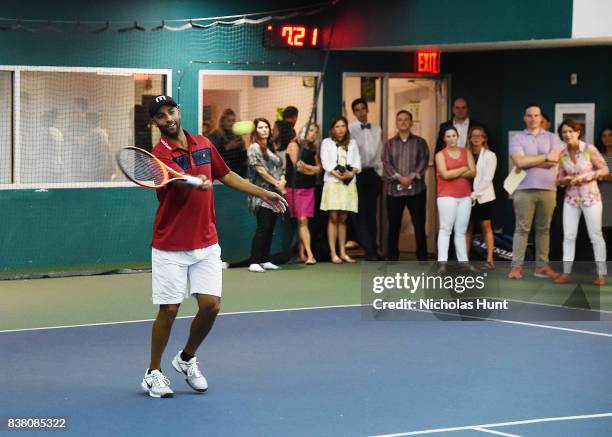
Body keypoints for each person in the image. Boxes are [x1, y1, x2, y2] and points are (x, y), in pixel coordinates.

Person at [142, 96, 286, 398]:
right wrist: (194, 181)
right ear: (154, 122)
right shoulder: (158, 154)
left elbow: (227, 175)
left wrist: (265, 193)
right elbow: (177, 183)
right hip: (171, 245)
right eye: (160, 116)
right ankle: (153, 372)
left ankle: (186, 358)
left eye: (171, 111)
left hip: (206, 242)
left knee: (211, 306)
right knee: (168, 310)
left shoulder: (203, 143)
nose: (168, 118)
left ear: (178, 112)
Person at [508, 103, 563, 280]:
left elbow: (554, 161)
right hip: (524, 189)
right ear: (525, 118)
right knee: (522, 229)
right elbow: (519, 162)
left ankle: (541, 267)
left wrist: (529, 160)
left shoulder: (553, 138)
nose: (533, 118)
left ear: (541, 118)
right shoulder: (517, 138)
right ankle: (516, 267)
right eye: (529, 115)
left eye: (536, 115)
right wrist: (544, 158)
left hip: (548, 190)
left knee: (544, 229)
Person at [555, 119, 608, 285]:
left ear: (578, 132)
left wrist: (585, 176)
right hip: (571, 199)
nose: (567, 134)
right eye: (564, 132)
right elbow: (558, 179)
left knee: (596, 236)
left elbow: (604, 169)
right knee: (569, 236)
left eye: (571, 131)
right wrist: (565, 180)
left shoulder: (589, 149)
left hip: (591, 197)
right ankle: (566, 272)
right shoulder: (562, 154)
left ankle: (601, 274)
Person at [382, 110, 430, 262]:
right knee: (394, 225)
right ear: (396, 123)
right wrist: (399, 178)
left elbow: (424, 160)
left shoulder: (420, 142)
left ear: (411, 123)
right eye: (400, 120)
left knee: (419, 225)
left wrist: (411, 176)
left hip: (416, 191)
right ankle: (392, 257)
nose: (402, 122)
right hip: (394, 191)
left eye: (406, 120)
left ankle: (422, 257)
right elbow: (385, 162)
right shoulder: (389, 144)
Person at [247, 118, 287, 273]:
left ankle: (265, 260)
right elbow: (260, 170)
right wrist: (277, 183)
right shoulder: (254, 147)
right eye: (260, 127)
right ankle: (254, 261)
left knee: (270, 228)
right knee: (263, 227)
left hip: (274, 194)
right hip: (260, 194)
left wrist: (282, 179)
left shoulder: (271, 147)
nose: (264, 130)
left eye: (266, 127)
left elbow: (280, 167)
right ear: (256, 130)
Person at [320, 116, 361, 264]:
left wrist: (351, 173)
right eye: (337, 126)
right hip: (332, 183)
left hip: (348, 184)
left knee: (343, 218)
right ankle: (333, 253)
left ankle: (343, 252)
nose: (340, 129)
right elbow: (326, 162)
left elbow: (357, 162)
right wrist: (337, 174)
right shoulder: (326, 142)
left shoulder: (353, 143)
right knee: (333, 217)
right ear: (332, 129)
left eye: (343, 126)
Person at [435, 126, 476, 269]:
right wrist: (463, 169)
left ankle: (463, 262)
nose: (452, 139)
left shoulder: (467, 152)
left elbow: (473, 172)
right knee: (446, 229)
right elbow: (445, 175)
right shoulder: (440, 155)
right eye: (448, 136)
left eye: (454, 136)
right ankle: (442, 263)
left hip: (465, 196)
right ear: (444, 139)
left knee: (461, 231)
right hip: (446, 196)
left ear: (458, 137)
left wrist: (454, 172)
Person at [348, 98, 384, 261]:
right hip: (358, 174)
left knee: (372, 213)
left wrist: (380, 173)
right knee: (361, 214)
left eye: (363, 108)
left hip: (374, 174)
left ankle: (373, 249)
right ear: (354, 112)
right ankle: (369, 250)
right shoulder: (350, 129)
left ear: (367, 110)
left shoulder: (377, 129)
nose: (361, 112)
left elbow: (380, 152)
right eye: (357, 109)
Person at [286, 123, 322, 264]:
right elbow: (298, 166)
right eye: (311, 130)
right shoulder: (294, 145)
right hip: (295, 187)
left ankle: (302, 253)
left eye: (316, 132)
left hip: (309, 188)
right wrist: (312, 169)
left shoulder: (312, 148)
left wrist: (311, 169)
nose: (313, 134)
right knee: (301, 220)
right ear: (304, 131)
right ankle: (309, 255)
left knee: (303, 221)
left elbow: (319, 168)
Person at [468, 126, 497, 269]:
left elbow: (487, 179)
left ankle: (490, 260)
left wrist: (475, 194)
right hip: (466, 197)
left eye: (479, 136)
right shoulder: (465, 154)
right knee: (467, 228)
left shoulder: (490, 155)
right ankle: (464, 261)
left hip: (484, 197)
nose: (476, 138)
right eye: (473, 136)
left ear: (484, 138)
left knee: (486, 227)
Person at [206, 109, 247, 177]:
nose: (231, 123)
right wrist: (228, 147)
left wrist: (243, 148)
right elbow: (211, 156)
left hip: (238, 173)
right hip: (222, 174)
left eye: (233, 120)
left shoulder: (237, 135)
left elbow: (243, 158)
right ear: (222, 121)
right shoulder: (215, 135)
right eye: (229, 121)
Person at [598, 125, 612, 255]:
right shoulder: (598, 156)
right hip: (601, 196)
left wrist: (602, 175)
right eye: (604, 135)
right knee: (602, 231)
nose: (607, 138)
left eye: (610, 135)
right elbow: (594, 175)